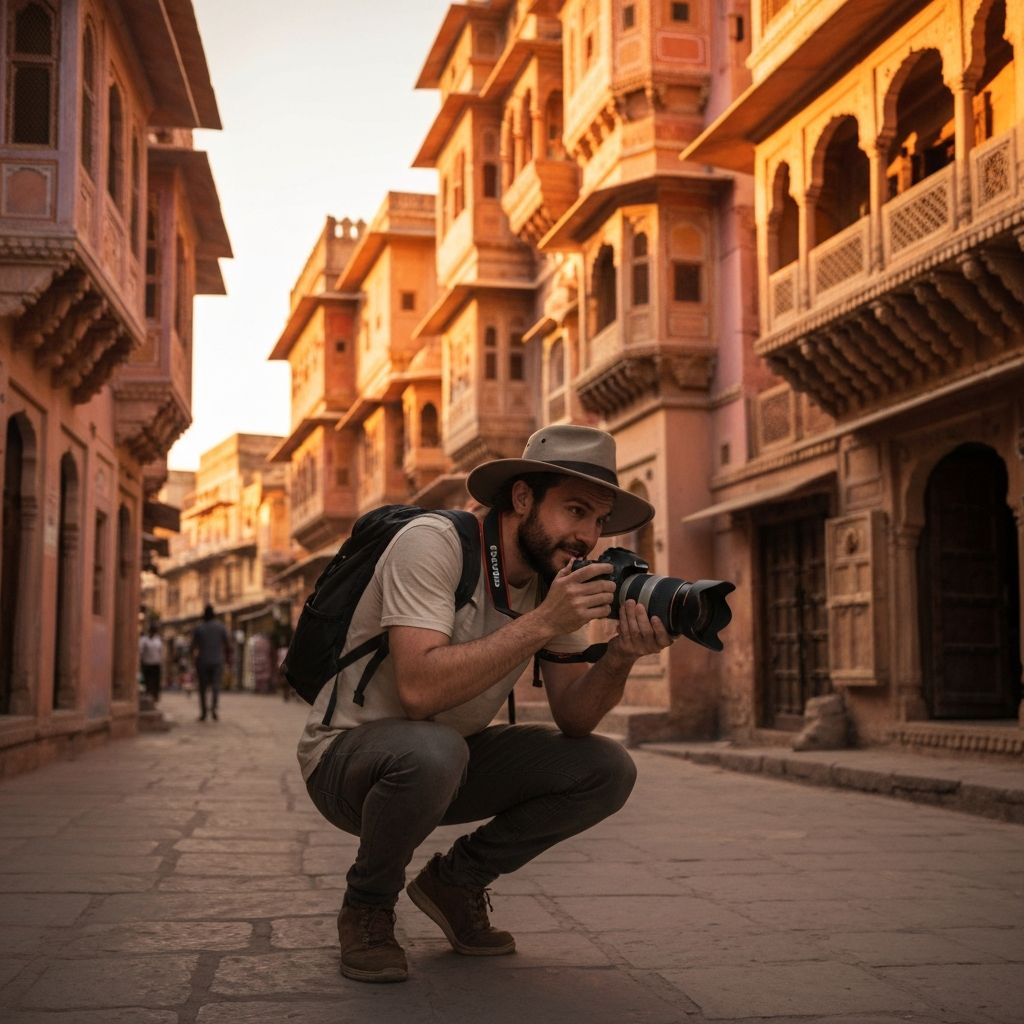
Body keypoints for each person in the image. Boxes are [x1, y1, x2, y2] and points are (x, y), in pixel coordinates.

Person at [298, 424, 678, 984]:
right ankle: (368, 906)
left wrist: (619, 655)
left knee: (605, 767)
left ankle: (456, 882)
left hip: (450, 760)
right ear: (522, 497)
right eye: (574, 511)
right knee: (434, 747)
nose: (587, 537)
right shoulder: (436, 544)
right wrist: (545, 620)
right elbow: (420, 692)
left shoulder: (553, 576)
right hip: (348, 763)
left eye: (598, 521)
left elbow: (574, 717)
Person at [191, 604, 231, 722]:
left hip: (202, 661)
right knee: (215, 686)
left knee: (203, 688)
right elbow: (227, 645)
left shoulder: (199, 628)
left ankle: (204, 713)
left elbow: (193, 646)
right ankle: (213, 709)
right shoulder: (221, 627)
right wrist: (228, 659)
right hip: (217, 661)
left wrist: (192, 659)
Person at [138, 623, 164, 703]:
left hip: (156, 663)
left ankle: (155, 696)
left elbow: (160, 651)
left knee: (156, 681)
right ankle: (147, 694)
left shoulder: (158, 640)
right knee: (147, 680)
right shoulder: (144, 640)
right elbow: (140, 651)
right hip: (147, 663)